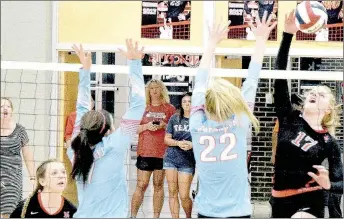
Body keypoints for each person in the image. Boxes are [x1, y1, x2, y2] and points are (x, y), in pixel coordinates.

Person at [190, 12, 276, 218]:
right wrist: (261, 40)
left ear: (206, 105)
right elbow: (252, 79)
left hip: (207, 212)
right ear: (232, 104)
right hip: (238, 212)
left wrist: (211, 44)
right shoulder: (239, 122)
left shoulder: (196, 125)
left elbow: (199, 82)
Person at [269, 11, 343, 218]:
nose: (314, 94)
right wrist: (287, 35)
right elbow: (279, 76)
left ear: (329, 108)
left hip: (310, 198)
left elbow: (340, 182)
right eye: (312, 92)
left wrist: (329, 183)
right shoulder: (288, 118)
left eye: (322, 95)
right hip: (279, 199)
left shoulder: (329, 142)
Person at [66, 40, 146, 218]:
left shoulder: (74, 148)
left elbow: (81, 108)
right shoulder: (115, 145)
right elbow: (139, 104)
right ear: (108, 130)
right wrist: (134, 63)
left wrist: (85, 71)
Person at [131, 78, 175, 218]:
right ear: (147, 91)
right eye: (151, 88)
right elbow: (132, 129)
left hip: (163, 153)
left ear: (162, 90)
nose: (154, 91)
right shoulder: (141, 107)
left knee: (158, 185)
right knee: (141, 185)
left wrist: (164, 125)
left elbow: (175, 130)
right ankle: (132, 215)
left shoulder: (169, 108)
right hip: (145, 152)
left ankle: (156, 216)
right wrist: (146, 126)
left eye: (157, 88)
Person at [1, 97, 35, 218]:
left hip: (12, 178)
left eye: (8, 106)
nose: (5, 108)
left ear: (12, 111)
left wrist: (32, 176)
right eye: (1, 106)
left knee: (9, 210)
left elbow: (27, 154)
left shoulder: (19, 130)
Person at [163, 92, 195, 218]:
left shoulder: (199, 120)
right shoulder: (174, 118)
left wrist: (192, 145)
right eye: (184, 102)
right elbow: (166, 139)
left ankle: (188, 216)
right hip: (171, 159)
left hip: (187, 161)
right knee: (172, 192)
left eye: (190, 101)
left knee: (184, 195)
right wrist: (178, 143)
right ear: (181, 104)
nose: (187, 104)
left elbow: (203, 140)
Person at [10, 159, 76, 218]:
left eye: (63, 172)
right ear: (42, 181)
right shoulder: (25, 207)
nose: (61, 176)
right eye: (54, 173)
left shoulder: (72, 210)